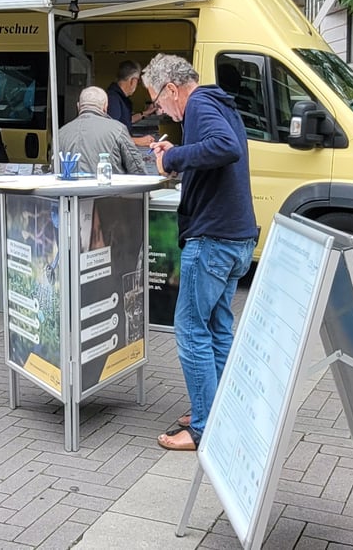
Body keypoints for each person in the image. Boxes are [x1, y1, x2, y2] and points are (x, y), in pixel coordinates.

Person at [143, 53, 259, 451]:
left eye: (158, 102)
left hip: (212, 239)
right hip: (237, 237)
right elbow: (218, 154)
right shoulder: (218, 102)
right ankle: (218, 408)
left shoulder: (200, 104)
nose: (161, 110)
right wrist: (178, 155)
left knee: (191, 329)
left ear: (172, 88)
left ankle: (204, 427)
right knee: (217, 327)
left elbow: (223, 148)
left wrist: (172, 157)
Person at [58, 86, 145, 175]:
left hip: (70, 189)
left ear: (78, 106)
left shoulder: (60, 134)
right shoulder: (118, 129)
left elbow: (54, 171)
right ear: (105, 106)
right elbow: (137, 168)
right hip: (110, 188)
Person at [106, 60, 158, 147]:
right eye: (138, 82)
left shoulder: (120, 97)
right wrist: (137, 141)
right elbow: (111, 135)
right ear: (133, 81)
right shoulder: (113, 99)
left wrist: (145, 113)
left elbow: (126, 120)